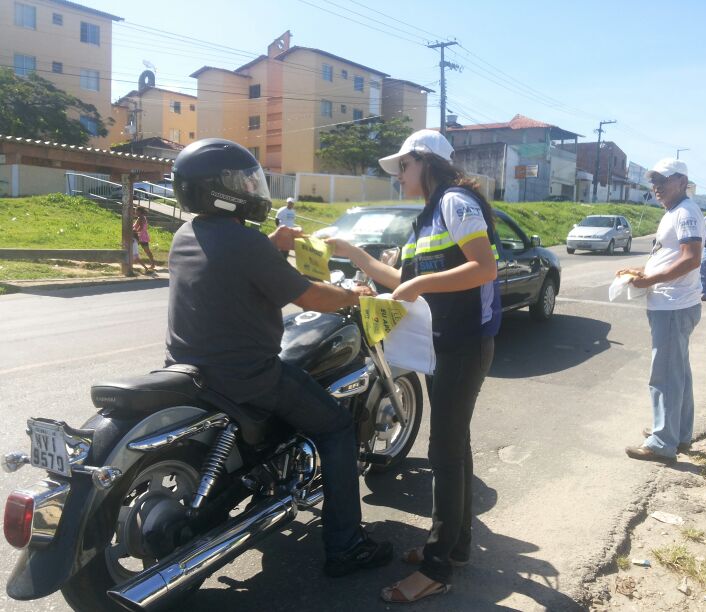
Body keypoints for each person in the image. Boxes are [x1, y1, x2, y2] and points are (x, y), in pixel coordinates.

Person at [165, 138, 392, 577]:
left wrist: (275, 241)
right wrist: (355, 293)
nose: (252, 188)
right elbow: (310, 295)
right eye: (243, 181)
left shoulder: (188, 233)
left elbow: (230, 261)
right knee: (338, 426)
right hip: (248, 375)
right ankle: (345, 545)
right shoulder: (243, 241)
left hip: (190, 370)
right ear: (220, 189)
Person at [328, 129, 501, 603]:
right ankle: (455, 547)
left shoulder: (455, 201)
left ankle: (437, 566)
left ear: (426, 162)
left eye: (403, 165)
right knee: (454, 446)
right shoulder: (426, 217)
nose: (398, 174)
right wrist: (354, 253)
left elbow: (483, 267)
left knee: (444, 453)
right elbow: (403, 279)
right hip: (440, 344)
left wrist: (419, 287)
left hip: (463, 345)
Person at [617, 158, 704, 464]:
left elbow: (692, 258)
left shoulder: (685, 212)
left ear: (682, 181)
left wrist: (650, 279)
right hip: (673, 303)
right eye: (653, 182)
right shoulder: (676, 211)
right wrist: (644, 272)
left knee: (665, 374)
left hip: (673, 305)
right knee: (678, 371)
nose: (657, 187)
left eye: (663, 181)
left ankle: (662, 442)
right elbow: (670, 256)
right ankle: (676, 434)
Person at [132, 206, 156, 273]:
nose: (135, 212)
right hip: (142, 236)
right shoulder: (142, 217)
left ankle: (152, 264)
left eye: (136, 211)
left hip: (140, 237)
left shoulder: (141, 218)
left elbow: (141, 228)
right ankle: (152, 264)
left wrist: (134, 231)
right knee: (146, 251)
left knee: (144, 250)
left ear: (140, 211)